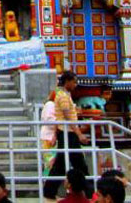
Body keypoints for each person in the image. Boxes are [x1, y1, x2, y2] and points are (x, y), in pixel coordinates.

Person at [44, 71, 91, 199]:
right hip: (68, 134)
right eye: (74, 81)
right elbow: (67, 117)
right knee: (77, 164)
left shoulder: (63, 94)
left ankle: (49, 191)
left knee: (63, 164)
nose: (75, 84)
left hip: (66, 133)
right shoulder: (63, 96)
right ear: (68, 81)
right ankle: (90, 192)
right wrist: (79, 134)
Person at [40, 90, 57, 173]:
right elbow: (49, 120)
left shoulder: (54, 105)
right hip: (48, 138)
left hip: (52, 137)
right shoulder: (50, 105)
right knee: (50, 163)